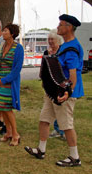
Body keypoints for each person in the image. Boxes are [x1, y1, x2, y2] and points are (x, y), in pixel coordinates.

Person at [24, 14, 84, 167]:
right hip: (53, 92)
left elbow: (73, 74)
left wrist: (67, 92)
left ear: (69, 27)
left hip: (64, 93)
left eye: (61, 25)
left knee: (66, 125)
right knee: (44, 120)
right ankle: (41, 150)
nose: (58, 27)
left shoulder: (71, 48)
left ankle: (74, 157)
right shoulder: (65, 46)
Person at [0, 23, 24, 146]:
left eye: (5, 31)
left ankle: (15, 134)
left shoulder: (18, 48)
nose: (3, 33)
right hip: (0, 83)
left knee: (7, 109)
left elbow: (17, 69)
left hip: (9, 83)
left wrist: (5, 80)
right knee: (1, 108)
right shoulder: (1, 46)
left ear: (12, 34)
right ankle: (8, 132)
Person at [43, 30, 65, 140]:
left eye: (52, 39)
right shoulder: (46, 52)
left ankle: (62, 130)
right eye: (49, 39)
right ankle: (57, 129)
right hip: (49, 85)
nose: (50, 41)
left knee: (61, 108)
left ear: (58, 40)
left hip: (60, 83)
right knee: (52, 108)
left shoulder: (62, 52)